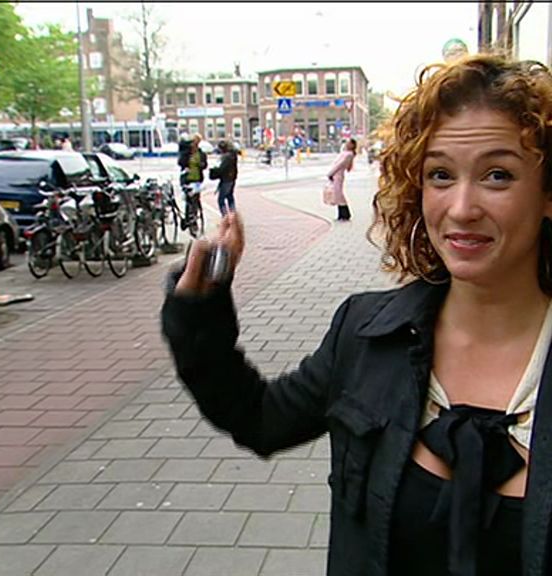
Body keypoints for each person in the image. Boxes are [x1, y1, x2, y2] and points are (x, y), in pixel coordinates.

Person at [161, 54, 552, 576]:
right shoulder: (369, 334)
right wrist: (200, 313)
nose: (461, 208)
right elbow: (258, 417)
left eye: (497, 175)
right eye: (440, 175)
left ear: (547, 194)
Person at [327, 138, 357, 221]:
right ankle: (341, 214)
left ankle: (345, 214)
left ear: (352, 145)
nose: (346, 144)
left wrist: (330, 173)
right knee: (337, 195)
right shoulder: (345, 153)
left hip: (338, 175)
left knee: (339, 194)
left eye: (348, 143)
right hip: (336, 174)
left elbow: (339, 165)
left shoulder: (349, 154)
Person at [209, 139, 239, 216]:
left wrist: (214, 171)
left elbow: (222, 169)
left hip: (226, 180)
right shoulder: (233, 155)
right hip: (232, 179)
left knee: (221, 199)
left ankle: (225, 216)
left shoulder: (226, 157)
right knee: (230, 197)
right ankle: (233, 214)